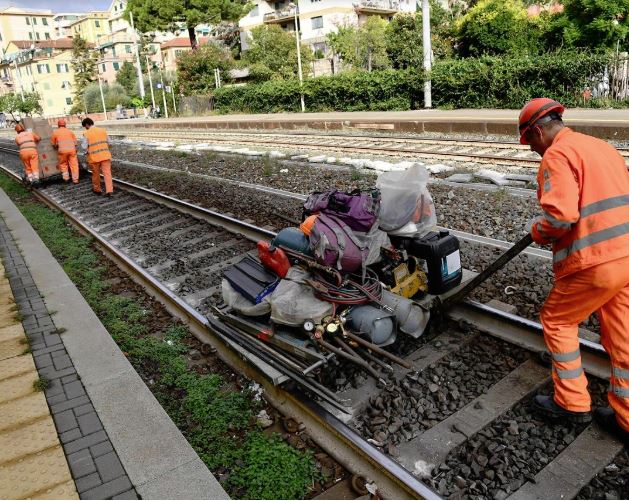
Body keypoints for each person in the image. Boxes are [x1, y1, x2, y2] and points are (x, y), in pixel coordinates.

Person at [519, 98, 629, 443]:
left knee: (557, 320)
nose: (534, 151)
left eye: (530, 143)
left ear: (537, 131)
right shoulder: (601, 147)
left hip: (594, 261)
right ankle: (626, 415)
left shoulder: (557, 154)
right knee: (622, 335)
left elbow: (562, 216)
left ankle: (571, 403)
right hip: (626, 255)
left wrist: (539, 230)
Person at [81, 117, 113, 196]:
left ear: (87, 124)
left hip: (94, 158)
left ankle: (97, 189)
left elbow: (84, 147)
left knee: (96, 174)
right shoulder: (103, 130)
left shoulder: (87, 133)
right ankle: (109, 191)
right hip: (105, 156)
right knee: (107, 174)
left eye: (85, 126)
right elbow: (110, 143)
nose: (85, 128)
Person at [51, 119, 79, 185]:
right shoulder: (70, 132)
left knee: (63, 164)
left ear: (58, 125)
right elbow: (75, 143)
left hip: (62, 151)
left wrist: (56, 146)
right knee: (74, 165)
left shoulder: (55, 132)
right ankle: (75, 180)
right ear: (65, 125)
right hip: (72, 150)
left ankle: (66, 178)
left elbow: (53, 144)